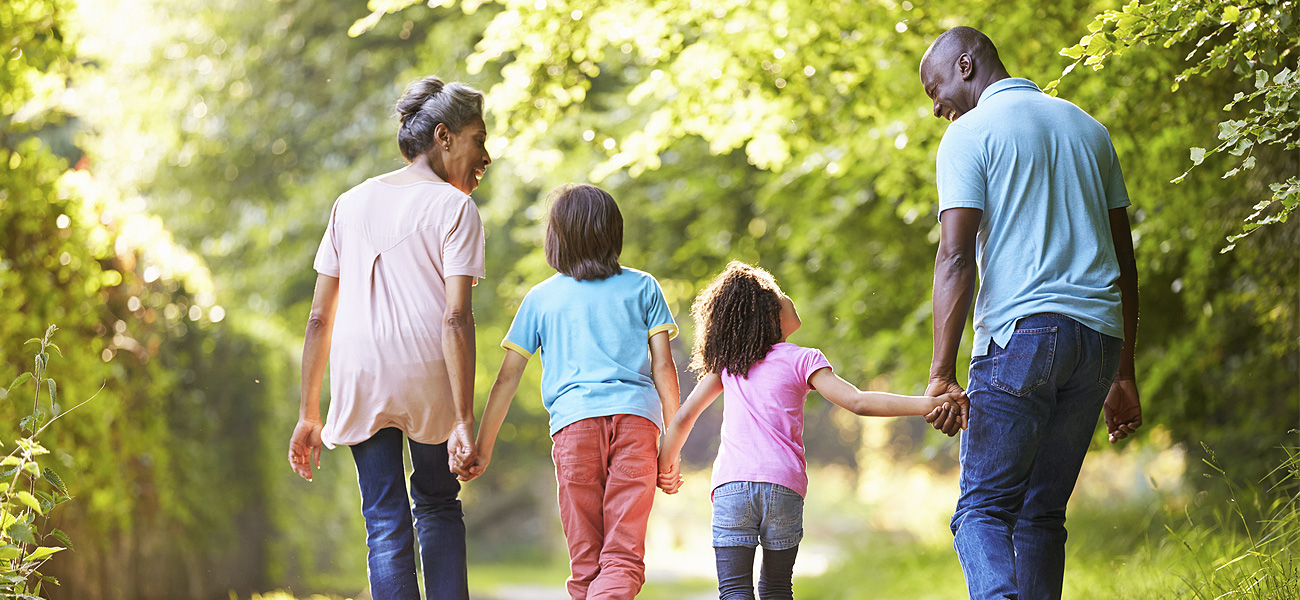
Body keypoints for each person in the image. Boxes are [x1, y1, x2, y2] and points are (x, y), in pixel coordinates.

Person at [918, 26, 1142, 600]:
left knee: (981, 512)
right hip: (1097, 343)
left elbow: (954, 256)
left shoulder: (970, 135)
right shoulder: (1089, 129)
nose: (936, 105)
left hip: (1021, 338)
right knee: (1042, 513)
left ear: (965, 64)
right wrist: (1124, 372)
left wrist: (941, 374)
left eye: (935, 87)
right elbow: (1125, 261)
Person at [287, 75, 493, 600]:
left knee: (383, 519)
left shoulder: (349, 203)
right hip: (427, 371)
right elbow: (455, 319)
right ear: (444, 137)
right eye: (479, 138)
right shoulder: (455, 208)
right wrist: (464, 420)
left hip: (360, 374)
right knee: (438, 505)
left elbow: (317, 318)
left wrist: (310, 413)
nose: (485, 155)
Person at [655, 261, 967, 600]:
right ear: (770, 313)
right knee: (776, 589)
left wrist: (666, 465)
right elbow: (858, 402)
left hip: (732, 488)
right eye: (780, 293)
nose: (787, 296)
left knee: (733, 590)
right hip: (782, 487)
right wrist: (928, 404)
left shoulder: (729, 367)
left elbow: (684, 416)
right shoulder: (803, 359)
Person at [461, 183, 681, 600]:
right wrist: (671, 446)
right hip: (637, 425)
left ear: (555, 239)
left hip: (574, 428)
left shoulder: (541, 299)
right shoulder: (643, 287)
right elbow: (664, 367)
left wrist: (483, 446)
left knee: (586, 563)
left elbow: (506, 379)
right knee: (622, 557)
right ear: (614, 232)